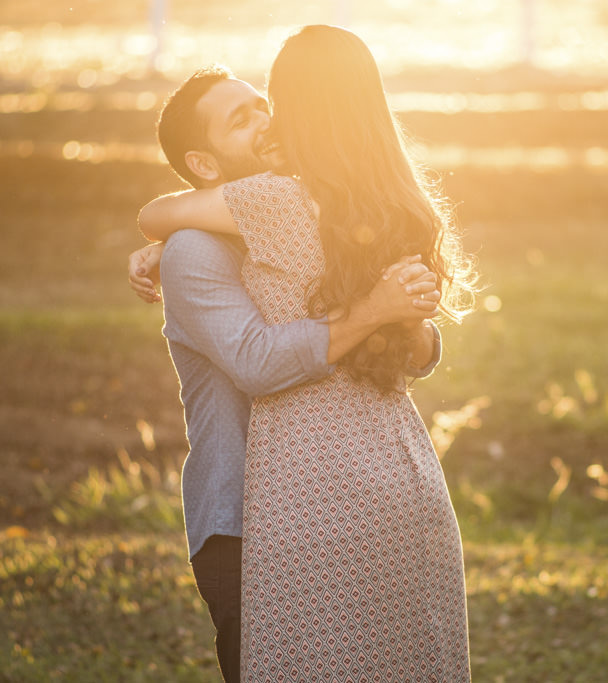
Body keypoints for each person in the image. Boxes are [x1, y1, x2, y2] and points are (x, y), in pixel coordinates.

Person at [138, 26, 474, 681]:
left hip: (329, 496)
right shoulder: (198, 248)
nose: (266, 122)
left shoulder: (315, 214)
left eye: (265, 103)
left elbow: (417, 340)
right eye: (242, 119)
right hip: (243, 516)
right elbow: (259, 361)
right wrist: (167, 246)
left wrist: (403, 325)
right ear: (204, 164)